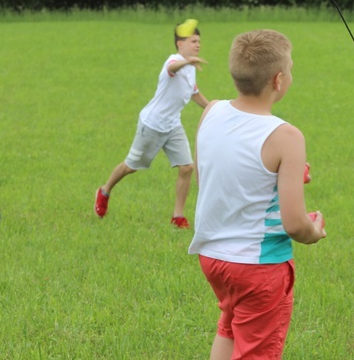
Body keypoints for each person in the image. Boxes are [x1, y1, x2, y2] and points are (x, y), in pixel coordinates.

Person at [188, 29, 326, 359]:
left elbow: (214, 173)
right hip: (258, 267)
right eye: (290, 68)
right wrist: (313, 232)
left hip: (214, 258)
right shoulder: (286, 136)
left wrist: (283, 176)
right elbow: (294, 224)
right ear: (278, 80)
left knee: (230, 326)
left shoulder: (212, 111)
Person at [94, 20, 209, 228]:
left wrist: (211, 109)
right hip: (152, 124)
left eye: (199, 41)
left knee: (186, 167)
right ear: (180, 44)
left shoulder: (190, 67)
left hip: (173, 125)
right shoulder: (174, 61)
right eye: (193, 41)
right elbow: (172, 68)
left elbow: (194, 92)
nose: (198, 45)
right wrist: (187, 61)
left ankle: (178, 216)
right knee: (131, 167)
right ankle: (104, 190)